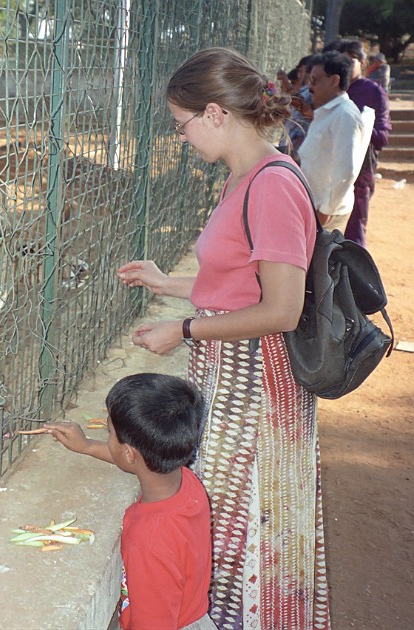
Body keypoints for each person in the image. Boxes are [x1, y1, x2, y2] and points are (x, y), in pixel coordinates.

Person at [116, 48, 329, 629]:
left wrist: (182, 328)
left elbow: (281, 309)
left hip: (258, 390)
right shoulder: (245, 176)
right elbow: (237, 283)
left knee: (249, 526)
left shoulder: (272, 185)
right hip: (233, 380)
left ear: (213, 114)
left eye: (181, 125)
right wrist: (170, 282)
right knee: (229, 530)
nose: (181, 137)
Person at [44, 374, 214, 630]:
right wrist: (87, 446)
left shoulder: (148, 542)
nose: (107, 436)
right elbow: (141, 461)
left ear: (128, 452)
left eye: (110, 433)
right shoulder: (187, 484)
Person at [298, 51, 371, 231]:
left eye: (315, 80)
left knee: (317, 259)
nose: (309, 86)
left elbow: (346, 169)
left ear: (334, 80)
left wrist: (325, 212)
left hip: (325, 213)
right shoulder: (328, 111)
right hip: (314, 206)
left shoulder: (345, 115)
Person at [337, 39, 392, 247]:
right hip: (328, 173)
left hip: (359, 175)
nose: (345, 67)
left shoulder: (374, 92)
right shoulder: (330, 89)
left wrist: (358, 127)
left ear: (362, 62)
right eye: (341, 61)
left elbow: (383, 136)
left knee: (354, 234)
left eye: (350, 61)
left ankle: (356, 278)